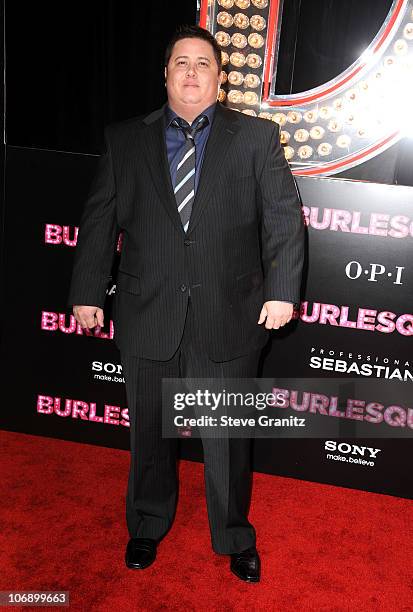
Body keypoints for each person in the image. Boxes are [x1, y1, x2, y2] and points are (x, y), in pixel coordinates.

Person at [68, 24, 304, 583]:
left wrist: (282, 290)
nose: (192, 72)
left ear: (221, 78)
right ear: (166, 74)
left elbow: (282, 220)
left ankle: (233, 536)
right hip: (148, 311)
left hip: (230, 315)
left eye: (204, 63)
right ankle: (146, 524)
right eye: (181, 63)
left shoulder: (256, 137)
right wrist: (85, 291)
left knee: (226, 439)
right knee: (150, 433)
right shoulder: (125, 139)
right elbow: (99, 222)